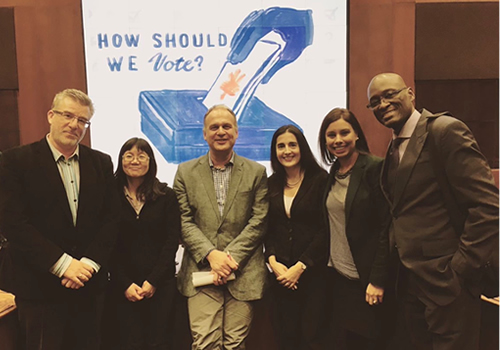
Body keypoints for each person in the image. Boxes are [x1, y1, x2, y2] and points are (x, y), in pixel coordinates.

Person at [366, 72, 499, 350]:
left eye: (390, 94)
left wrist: (459, 269)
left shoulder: (445, 130)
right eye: (375, 101)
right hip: (411, 285)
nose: (383, 104)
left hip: (449, 284)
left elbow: (488, 206)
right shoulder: (393, 147)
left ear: (410, 93)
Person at [0, 89, 119, 350]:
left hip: (89, 286)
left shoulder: (101, 162)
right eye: (68, 116)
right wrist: (64, 265)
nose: (74, 125)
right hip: (40, 288)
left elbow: (111, 220)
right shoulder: (15, 161)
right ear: (51, 116)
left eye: (82, 120)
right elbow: (14, 224)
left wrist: (87, 264)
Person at [173, 105, 269, 350]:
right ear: (204, 134)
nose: (221, 131)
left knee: (235, 344)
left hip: (244, 271)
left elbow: (259, 221)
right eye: (214, 127)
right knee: (205, 343)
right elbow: (182, 219)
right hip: (201, 270)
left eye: (227, 126)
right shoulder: (185, 172)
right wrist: (211, 255)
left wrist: (229, 258)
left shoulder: (257, 172)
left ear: (236, 133)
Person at [318, 108, 391, 350]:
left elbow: (387, 227)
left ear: (356, 134)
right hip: (339, 278)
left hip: (367, 281)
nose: (338, 140)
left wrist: (378, 280)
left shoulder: (374, 168)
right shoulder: (333, 172)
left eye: (344, 133)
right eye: (331, 135)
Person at [110, 137, 181, 350]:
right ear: (121, 160)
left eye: (142, 155)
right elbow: (106, 243)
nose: (135, 160)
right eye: (129, 155)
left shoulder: (166, 196)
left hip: (161, 284)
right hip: (123, 285)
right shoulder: (109, 196)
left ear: (150, 161)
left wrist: (153, 281)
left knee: (158, 342)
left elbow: (171, 241)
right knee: (129, 342)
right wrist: (124, 283)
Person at [265, 125, 328, 350]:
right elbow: (268, 228)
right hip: (280, 277)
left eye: (293, 144)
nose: (287, 151)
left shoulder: (320, 180)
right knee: (285, 338)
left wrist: (300, 267)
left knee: (311, 339)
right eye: (281, 146)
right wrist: (272, 261)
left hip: (313, 276)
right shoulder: (271, 183)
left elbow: (326, 230)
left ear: (302, 147)